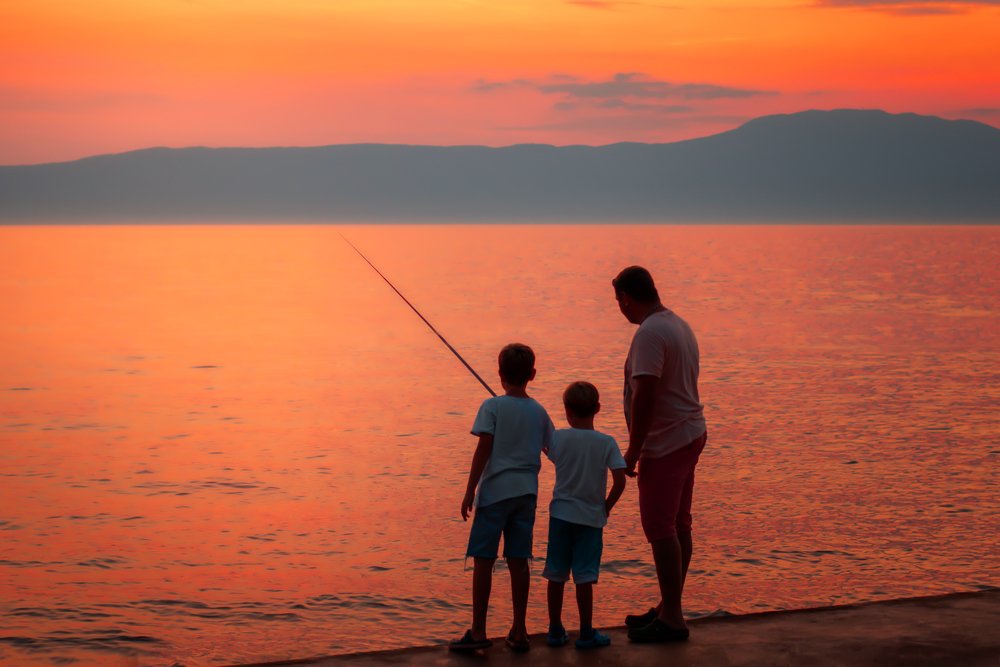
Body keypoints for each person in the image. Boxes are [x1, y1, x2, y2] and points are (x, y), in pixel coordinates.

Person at [612, 265, 707, 643]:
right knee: (679, 524)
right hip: (689, 432)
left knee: (660, 527)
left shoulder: (650, 333)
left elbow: (646, 393)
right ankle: (670, 606)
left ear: (626, 298)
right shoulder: (677, 324)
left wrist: (634, 450)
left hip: (666, 442)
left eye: (618, 301)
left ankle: (672, 618)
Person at [449, 343, 554, 653]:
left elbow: (484, 449)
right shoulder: (539, 411)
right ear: (532, 375)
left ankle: (479, 630)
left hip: (495, 494)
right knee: (519, 560)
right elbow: (553, 449)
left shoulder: (491, 407)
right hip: (526, 494)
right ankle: (520, 630)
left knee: (484, 560)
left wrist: (470, 490)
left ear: (499, 374)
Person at [542, 381, 627, 650]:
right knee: (585, 577)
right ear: (598, 409)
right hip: (591, 519)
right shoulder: (607, 442)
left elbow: (551, 452)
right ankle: (586, 633)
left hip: (560, 517)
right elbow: (620, 480)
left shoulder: (558, 438)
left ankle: (555, 630)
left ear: (566, 410)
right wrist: (606, 506)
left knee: (555, 574)